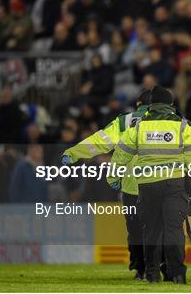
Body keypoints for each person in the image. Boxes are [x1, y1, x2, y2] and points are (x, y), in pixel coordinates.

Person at [110, 85, 191, 284]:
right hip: (174, 185)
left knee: (150, 230)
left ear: (151, 105)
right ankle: (177, 274)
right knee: (173, 230)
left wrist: (114, 178)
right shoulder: (184, 126)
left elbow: (120, 155)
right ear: (171, 104)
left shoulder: (138, 127)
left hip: (147, 185)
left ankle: (152, 274)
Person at [61, 90, 151, 279]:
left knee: (135, 229)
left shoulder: (126, 121)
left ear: (137, 104)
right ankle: (158, 265)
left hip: (130, 185)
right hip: (161, 184)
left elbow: (100, 141)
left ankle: (139, 267)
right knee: (157, 227)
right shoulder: (173, 122)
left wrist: (75, 152)